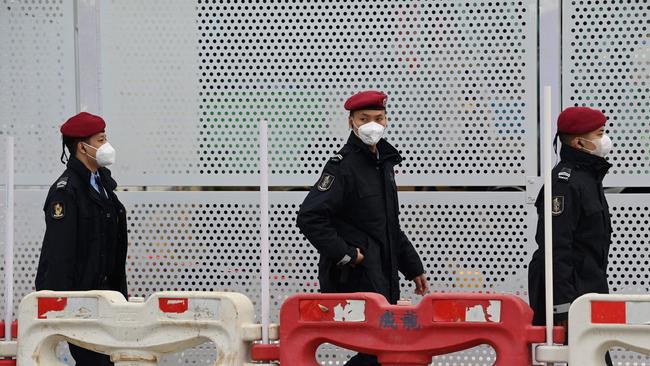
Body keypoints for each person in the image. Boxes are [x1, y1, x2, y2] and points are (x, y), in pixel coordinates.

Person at [297, 90, 428, 366]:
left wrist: (413, 268)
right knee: (378, 352)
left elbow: (389, 227)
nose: (373, 125)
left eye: (379, 118)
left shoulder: (384, 164)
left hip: (381, 276)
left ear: (387, 120)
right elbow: (310, 217)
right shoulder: (342, 167)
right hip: (355, 278)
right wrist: (348, 254)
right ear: (351, 123)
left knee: (384, 351)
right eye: (364, 118)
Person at [35, 112, 128, 366]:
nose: (106, 146)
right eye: (100, 140)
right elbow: (60, 253)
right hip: (81, 303)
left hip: (106, 299)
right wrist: (59, 307)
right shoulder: (66, 192)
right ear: (82, 147)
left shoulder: (103, 184)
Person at [528, 106, 613, 366]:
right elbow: (557, 248)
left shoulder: (588, 178)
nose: (605, 139)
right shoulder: (564, 185)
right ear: (579, 142)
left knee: (595, 356)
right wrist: (563, 306)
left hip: (588, 288)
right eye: (599, 134)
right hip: (569, 295)